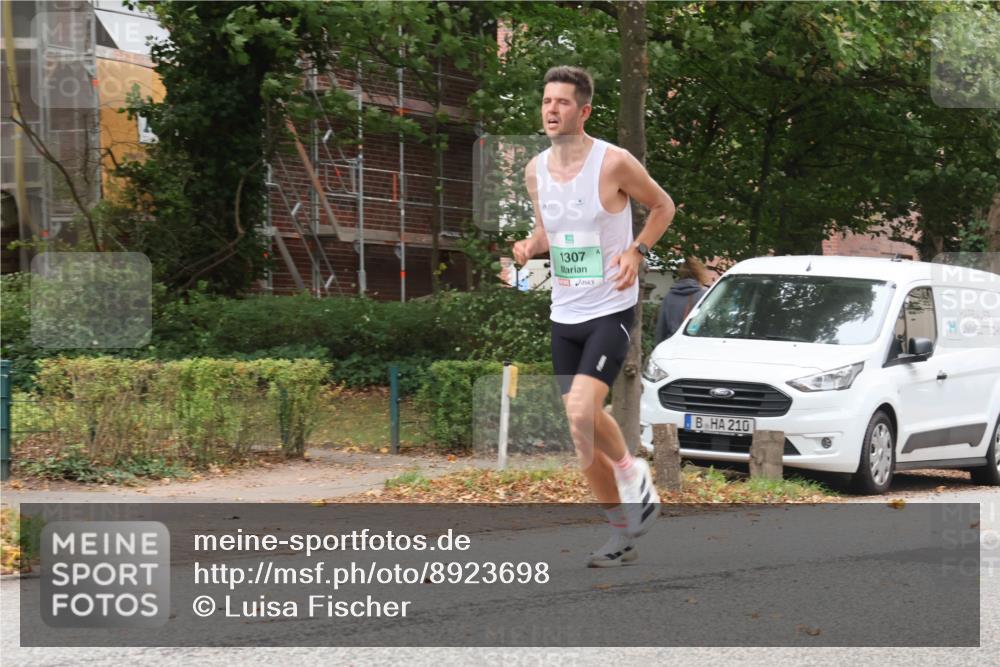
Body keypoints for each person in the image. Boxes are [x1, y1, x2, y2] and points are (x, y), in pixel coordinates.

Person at [512, 65, 676, 567]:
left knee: (583, 410)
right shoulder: (535, 171)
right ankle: (619, 531)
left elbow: (663, 206)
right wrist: (528, 246)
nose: (551, 110)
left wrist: (638, 251)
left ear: (583, 111)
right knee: (583, 436)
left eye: (562, 102)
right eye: (546, 101)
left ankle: (632, 473)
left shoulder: (613, 162)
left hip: (611, 307)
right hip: (565, 313)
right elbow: (549, 233)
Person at [655, 260, 707, 344]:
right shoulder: (705, 296)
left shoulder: (669, 297)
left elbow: (661, 329)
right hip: (696, 345)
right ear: (699, 274)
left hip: (672, 345)